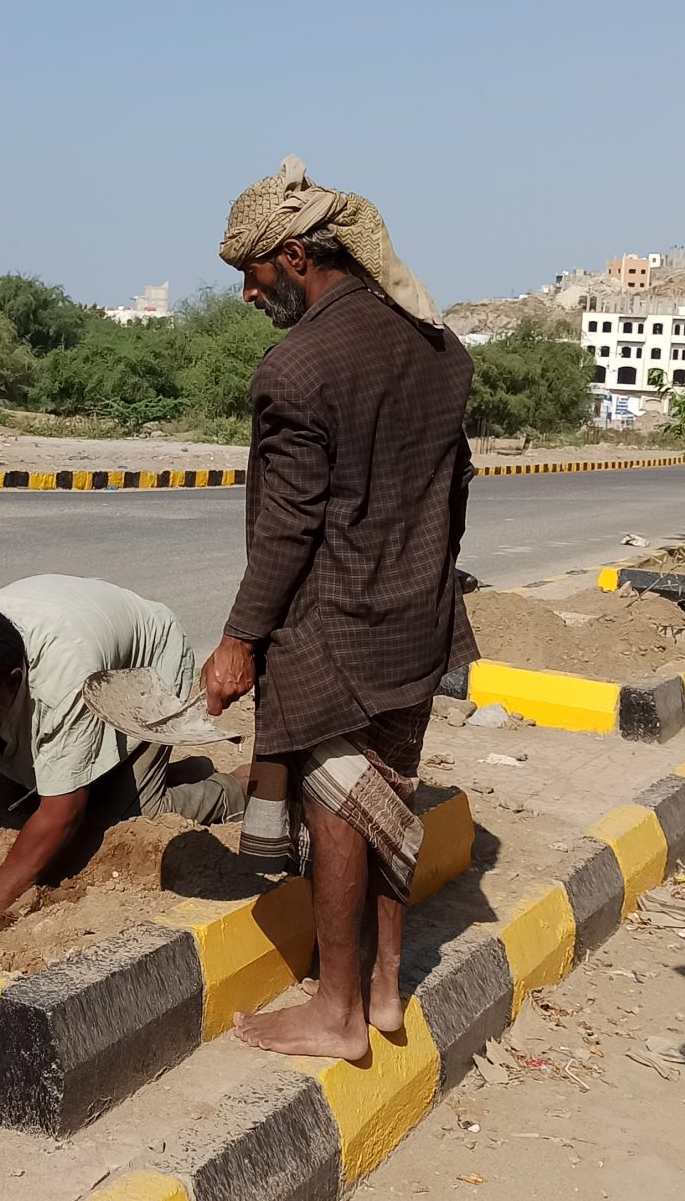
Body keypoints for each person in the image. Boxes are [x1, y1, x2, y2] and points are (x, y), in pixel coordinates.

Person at [198, 156, 474, 1062]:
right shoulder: (442, 347)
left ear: (296, 254)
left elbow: (286, 531)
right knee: (390, 790)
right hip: (417, 616)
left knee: (338, 807)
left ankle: (338, 1007)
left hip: (333, 630)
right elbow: (454, 490)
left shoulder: (297, 368)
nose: (245, 293)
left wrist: (240, 640)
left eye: (251, 271)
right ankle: (388, 987)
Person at [0, 575, 243, 937]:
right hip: (70, 655)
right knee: (15, 814)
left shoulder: (63, 679)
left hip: (139, 672)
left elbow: (63, 814)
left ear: (12, 683)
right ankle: (167, 773)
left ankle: (230, 790)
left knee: (115, 822)